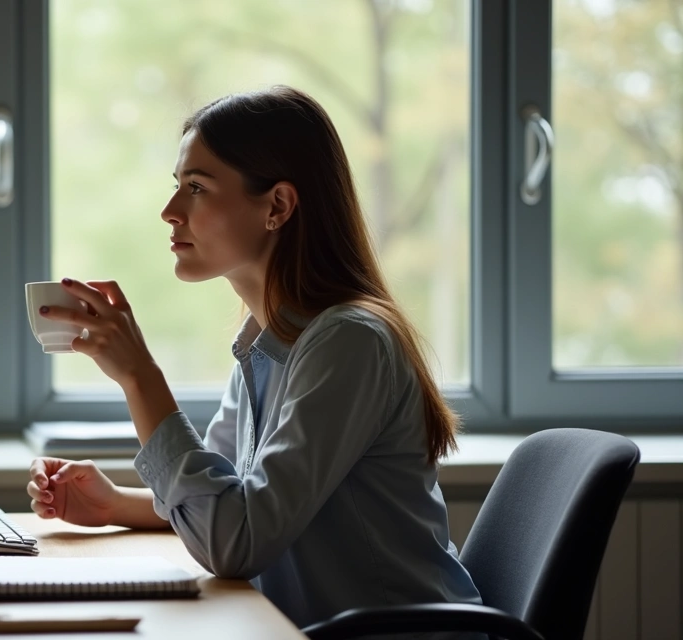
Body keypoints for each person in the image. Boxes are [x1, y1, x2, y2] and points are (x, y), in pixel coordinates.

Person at [25, 86, 483, 630]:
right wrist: (113, 505)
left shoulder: (350, 342)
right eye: (177, 186)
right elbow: (228, 501)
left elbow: (236, 541)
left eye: (196, 187)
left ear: (278, 206)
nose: (170, 211)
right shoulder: (263, 340)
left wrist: (139, 375)